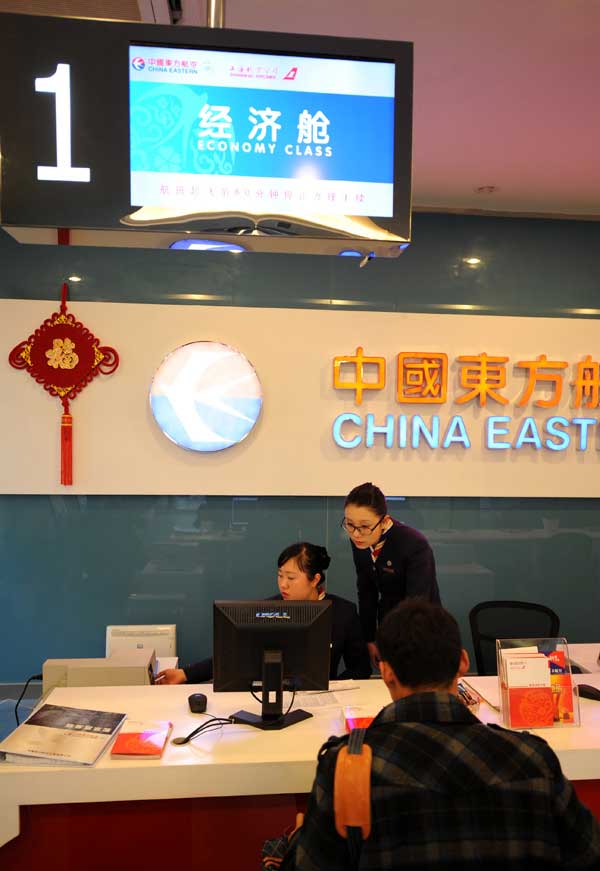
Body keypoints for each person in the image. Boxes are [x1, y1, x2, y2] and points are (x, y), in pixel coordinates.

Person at [282, 600, 600, 870]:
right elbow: (588, 853)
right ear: (463, 662)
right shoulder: (533, 759)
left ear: (386, 671)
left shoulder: (347, 768)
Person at [156, 541, 371, 684]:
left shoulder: (344, 612)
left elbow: (360, 669)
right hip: (267, 696)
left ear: (315, 579)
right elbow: (233, 656)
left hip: (323, 703)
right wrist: (185, 674)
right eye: (280, 576)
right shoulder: (269, 609)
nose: (283, 585)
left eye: (291, 578)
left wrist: (332, 689)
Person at [343, 481, 440, 667]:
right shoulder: (361, 540)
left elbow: (417, 602)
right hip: (388, 623)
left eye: (364, 526)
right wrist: (370, 638)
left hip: (421, 628)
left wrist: (397, 646)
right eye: (349, 525)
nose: (356, 534)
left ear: (385, 521)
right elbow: (366, 590)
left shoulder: (413, 544)